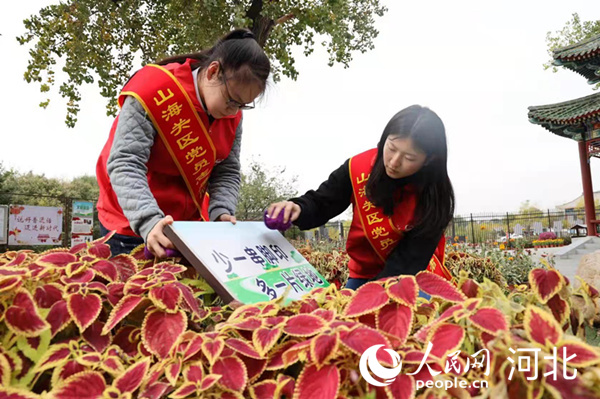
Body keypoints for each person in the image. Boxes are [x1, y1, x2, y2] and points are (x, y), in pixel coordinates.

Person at [96, 28, 270, 257]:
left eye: (243, 105)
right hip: (131, 222)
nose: (235, 111)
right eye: (232, 101)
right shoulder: (155, 90)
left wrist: (221, 211)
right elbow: (125, 163)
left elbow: (226, 169)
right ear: (213, 71)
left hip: (187, 227)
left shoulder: (232, 114)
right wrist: (149, 222)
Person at [267, 105, 455, 290]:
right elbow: (323, 202)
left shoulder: (436, 196)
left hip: (409, 278)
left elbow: (408, 262)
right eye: (391, 147)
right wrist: (298, 208)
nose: (394, 162)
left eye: (409, 158)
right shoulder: (359, 167)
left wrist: (368, 295)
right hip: (363, 273)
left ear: (429, 160)